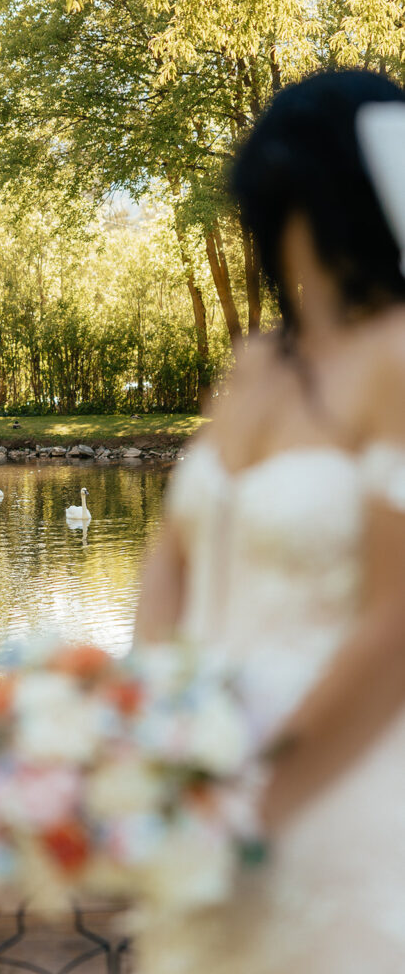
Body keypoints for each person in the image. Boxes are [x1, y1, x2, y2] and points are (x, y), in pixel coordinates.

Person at [134, 69, 405, 972]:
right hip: (195, 788)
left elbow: (395, 624)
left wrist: (251, 780)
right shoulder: (252, 365)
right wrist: (148, 727)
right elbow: (170, 558)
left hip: (333, 777)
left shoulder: (396, 362)